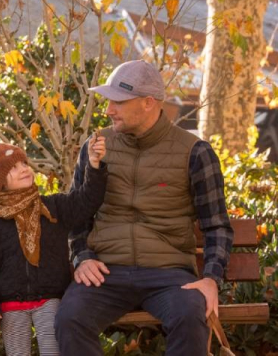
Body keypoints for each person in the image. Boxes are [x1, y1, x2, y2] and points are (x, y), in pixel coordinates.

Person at [55, 60, 235, 356]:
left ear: (149, 103)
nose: (109, 110)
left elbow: (216, 226)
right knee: (69, 318)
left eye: (119, 102)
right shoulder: (97, 145)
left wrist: (210, 279)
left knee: (191, 315)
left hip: (169, 275)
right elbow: (77, 212)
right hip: (105, 273)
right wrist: (82, 257)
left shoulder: (195, 152)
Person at [0, 138, 107, 356]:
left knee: (52, 351)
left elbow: (86, 201)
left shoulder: (53, 207)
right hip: (11, 303)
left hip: (49, 298)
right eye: (13, 168)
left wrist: (94, 166)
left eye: (24, 163)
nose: (24, 169)